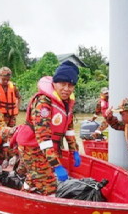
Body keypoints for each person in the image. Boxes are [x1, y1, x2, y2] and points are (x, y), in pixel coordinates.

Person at [10, 61, 81, 196]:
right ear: (54, 83)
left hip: (49, 146)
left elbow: (69, 128)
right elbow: (43, 137)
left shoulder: (67, 102)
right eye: (63, 84)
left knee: (34, 175)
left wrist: (74, 150)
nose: (66, 88)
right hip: (32, 146)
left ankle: (22, 197)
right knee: (49, 184)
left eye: (71, 85)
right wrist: (56, 165)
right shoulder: (43, 102)